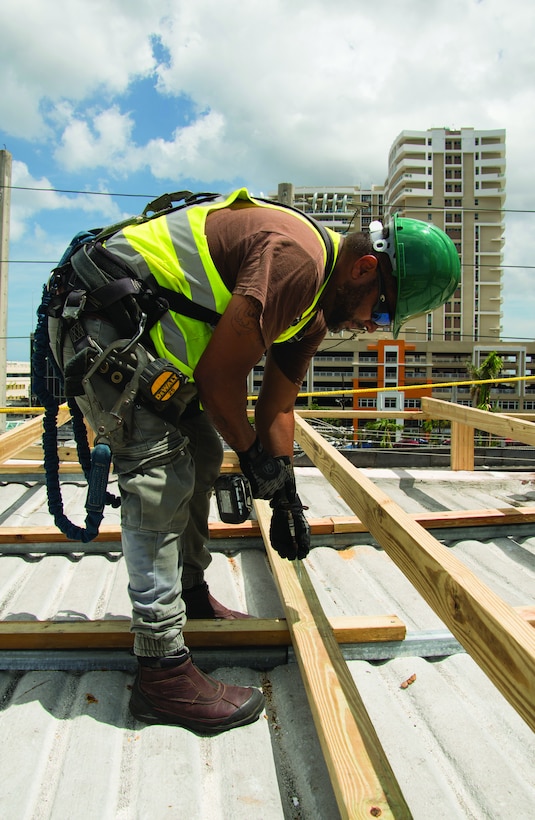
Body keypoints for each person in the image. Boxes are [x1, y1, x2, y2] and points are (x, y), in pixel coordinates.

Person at [45, 188, 460, 734]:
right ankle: (162, 670)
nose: (372, 326)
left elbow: (277, 405)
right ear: (364, 268)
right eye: (381, 309)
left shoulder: (314, 313)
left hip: (141, 335)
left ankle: (190, 596)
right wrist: (251, 455)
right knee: (160, 472)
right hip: (100, 319)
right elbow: (221, 382)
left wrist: (284, 489)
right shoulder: (299, 263)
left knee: (201, 447)